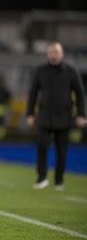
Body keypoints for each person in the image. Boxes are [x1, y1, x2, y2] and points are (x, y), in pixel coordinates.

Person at [27, 42, 86, 191]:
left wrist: (81, 115)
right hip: (44, 117)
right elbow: (33, 94)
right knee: (42, 148)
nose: (54, 54)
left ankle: (59, 181)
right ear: (48, 54)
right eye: (51, 52)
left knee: (62, 151)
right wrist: (30, 114)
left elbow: (80, 95)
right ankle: (42, 178)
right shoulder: (40, 71)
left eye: (57, 52)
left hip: (64, 117)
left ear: (62, 54)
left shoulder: (71, 71)